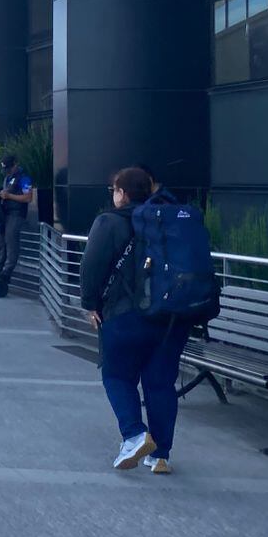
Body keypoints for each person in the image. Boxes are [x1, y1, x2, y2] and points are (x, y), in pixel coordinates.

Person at [78, 165, 190, 473]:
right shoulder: (171, 219)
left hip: (125, 315)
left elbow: (92, 267)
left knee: (116, 376)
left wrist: (90, 304)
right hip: (172, 318)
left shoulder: (109, 222)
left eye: (114, 190)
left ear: (122, 193)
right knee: (160, 383)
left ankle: (134, 434)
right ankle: (161, 455)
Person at [0, 153, 32, 297]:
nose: (7, 171)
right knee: (1, 241)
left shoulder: (24, 178)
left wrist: (8, 196)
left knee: (11, 240)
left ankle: (6, 272)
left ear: (15, 164)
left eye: (9, 168)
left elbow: (28, 197)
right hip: (5, 213)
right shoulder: (8, 177)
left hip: (16, 214)